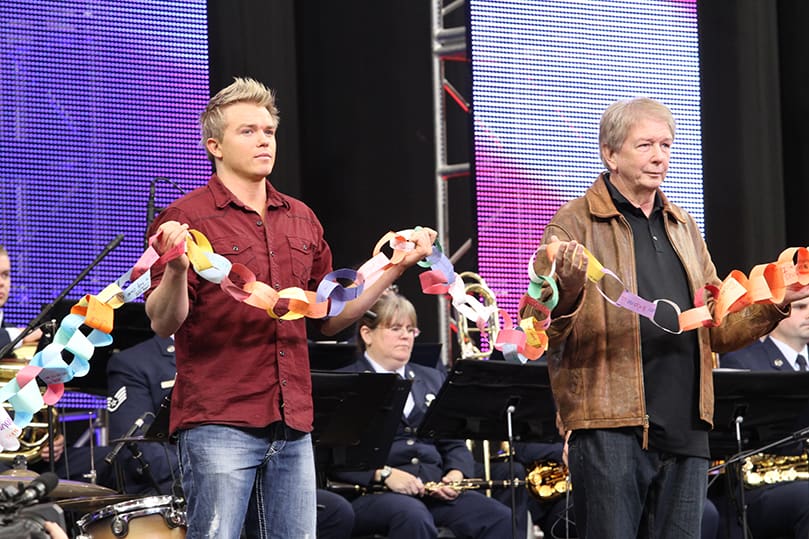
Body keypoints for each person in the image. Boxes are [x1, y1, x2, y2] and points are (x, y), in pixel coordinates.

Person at [144, 77, 436, 539]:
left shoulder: (301, 218)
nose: (263, 139)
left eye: (269, 130)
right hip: (220, 420)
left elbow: (329, 318)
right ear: (214, 146)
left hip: (293, 422)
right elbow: (163, 322)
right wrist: (178, 270)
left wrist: (395, 268)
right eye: (248, 131)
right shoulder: (186, 219)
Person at [520, 97, 809, 538]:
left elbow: (719, 326)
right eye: (645, 145)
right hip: (610, 428)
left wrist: (774, 301)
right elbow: (542, 326)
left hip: (688, 427)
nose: (659, 157)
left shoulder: (684, 226)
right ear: (610, 154)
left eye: (667, 145)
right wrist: (571, 288)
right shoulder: (574, 224)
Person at [106, 333, 355, 538]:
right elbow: (136, 447)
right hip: (172, 485)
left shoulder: (246, 351)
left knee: (335, 511)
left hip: (253, 468)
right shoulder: (135, 361)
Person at [331, 292, 516, 539]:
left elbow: (453, 441)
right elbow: (333, 454)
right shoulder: (348, 383)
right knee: (412, 516)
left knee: (498, 517)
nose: (405, 336)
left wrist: (455, 474)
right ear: (367, 334)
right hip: (372, 493)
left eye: (411, 330)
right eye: (395, 328)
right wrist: (383, 474)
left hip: (432, 490)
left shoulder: (432, 378)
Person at [714, 297, 809, 538]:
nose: (808, 314)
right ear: (776, 312)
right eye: (800, 307)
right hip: (767, 485)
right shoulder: (743, 361)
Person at [0, 245, 42, 356]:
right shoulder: (15, 335)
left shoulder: (10, 331)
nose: (2, 283)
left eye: (5, 275)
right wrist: (20, 335)